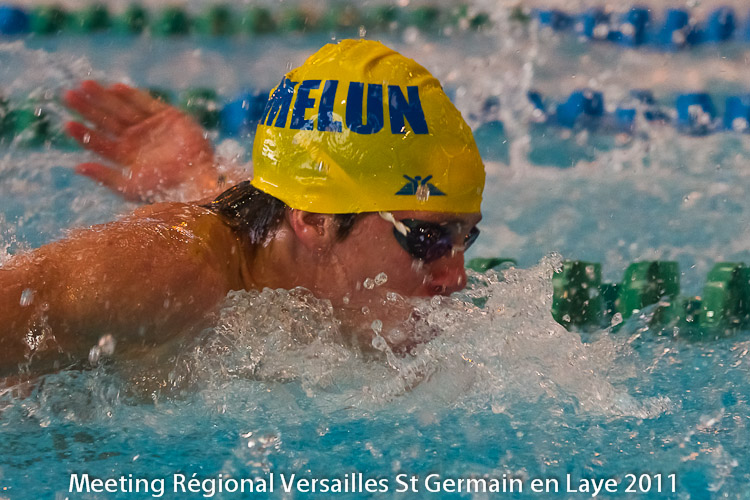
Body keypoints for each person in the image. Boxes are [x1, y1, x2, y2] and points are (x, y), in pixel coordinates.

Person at [0, 39, 485, 376]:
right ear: (315, 221)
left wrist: (197, 172)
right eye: (428, 239)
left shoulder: (289, 245)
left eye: (466, 237)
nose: (457, 276)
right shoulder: (166, 272)